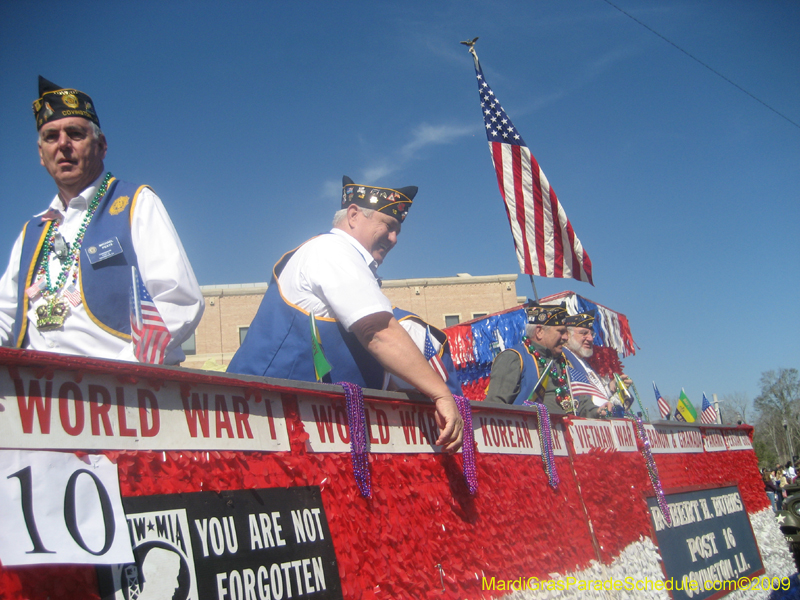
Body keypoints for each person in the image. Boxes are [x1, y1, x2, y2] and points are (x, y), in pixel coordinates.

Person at [228, 176, 463, 452]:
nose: (394, 238)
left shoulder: (343, 259)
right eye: (388, 226)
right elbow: (378, 332)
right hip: (258, 423)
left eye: (398, 231)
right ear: (353, 215)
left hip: (290, 428)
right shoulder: (332, 249)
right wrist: (441, 394)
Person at [0, 77, 203, 364]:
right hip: (36, 395)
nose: (63, 145)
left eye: (75, 134)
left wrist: (121, 371)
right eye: (50, 137)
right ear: (41, 155)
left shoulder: (136, 203)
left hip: (119, 390)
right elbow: (4, 315)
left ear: (101, 145)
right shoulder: (31, 232)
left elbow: (177, 300)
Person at [484, 303, 570, 415]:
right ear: (539, 332)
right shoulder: (513, 357)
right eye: (561, 332)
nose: (566, 337)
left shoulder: (563, 361)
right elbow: (494, 408)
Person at [562, 312, 632, 418]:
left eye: (591, 334)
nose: (590, 339)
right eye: (584, 333)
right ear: (567, 335)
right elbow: (578, 398)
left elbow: (595, 398)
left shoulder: (584, 362)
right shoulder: (564, 356)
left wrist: (610, 388)